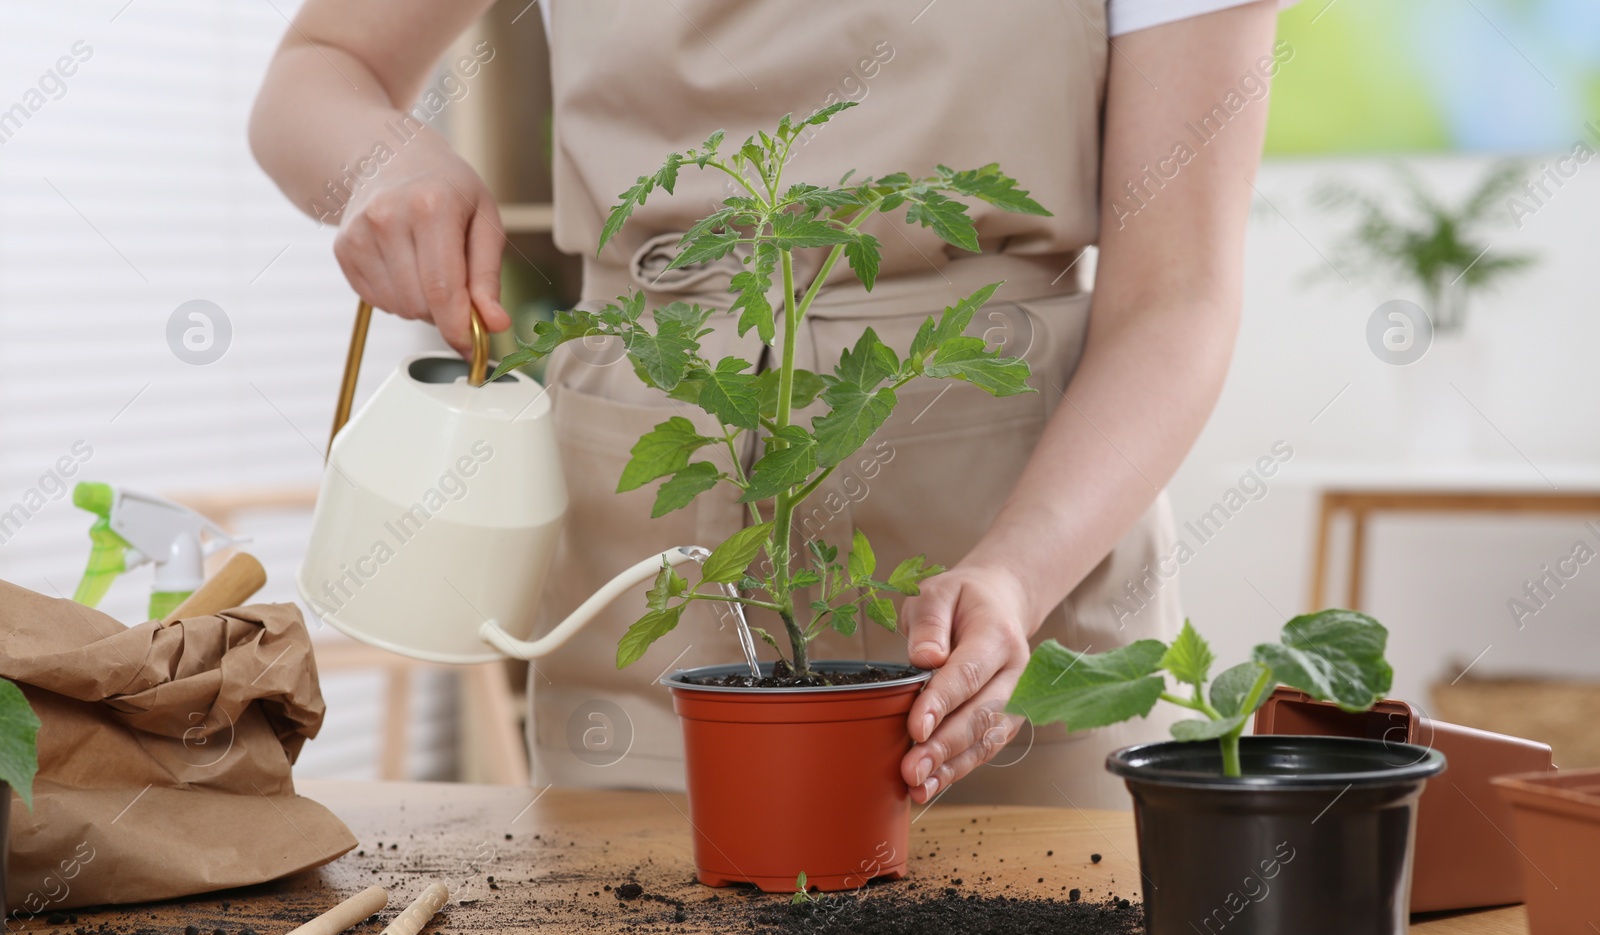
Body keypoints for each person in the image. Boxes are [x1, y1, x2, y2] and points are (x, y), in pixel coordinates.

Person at [252, 0, 1284, 810]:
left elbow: (1176, 294)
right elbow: (320, 69)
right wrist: (383, 159)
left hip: (1019, 584)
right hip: (643, 571)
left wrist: (1019, 574)